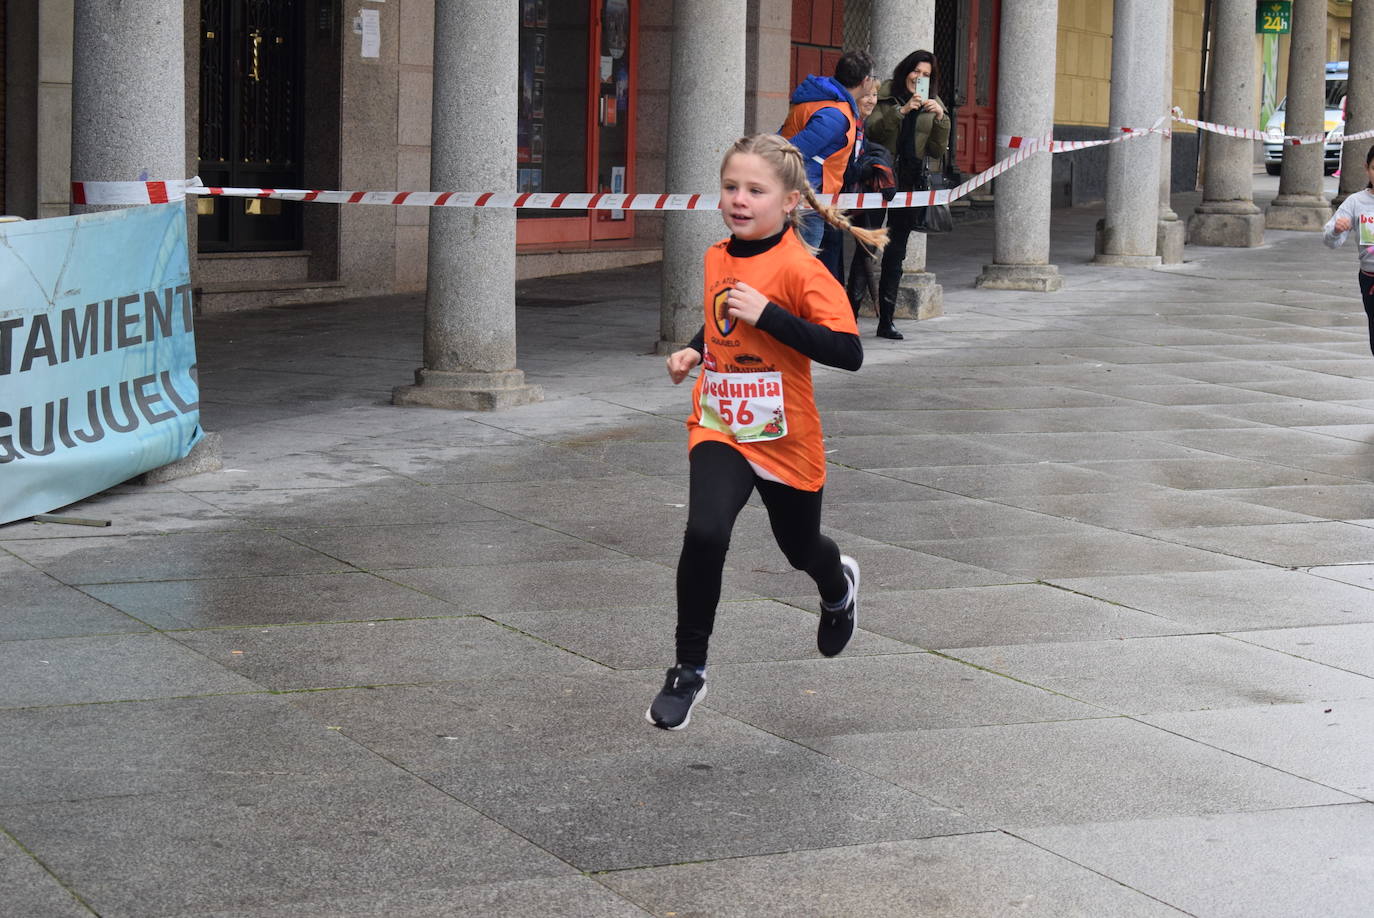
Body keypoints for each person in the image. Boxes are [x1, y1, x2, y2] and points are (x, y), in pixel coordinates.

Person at [646, 133, 888, 731]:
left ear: (788, 203)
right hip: (721, 420)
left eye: (756, 189)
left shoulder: (802, 269)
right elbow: (722, 322)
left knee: (800, 549)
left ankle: (838, 587)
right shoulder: (713, 257)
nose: (739, 199)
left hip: (784, 435)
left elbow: (849, 351)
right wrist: (693, 351)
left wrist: (772, 316)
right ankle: (689, 669)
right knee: (705, 531)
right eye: (731, 187)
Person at [865, 49, 951, 340]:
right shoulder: (885, 94)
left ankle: (886, 321)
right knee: (867, 248)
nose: (920, 78)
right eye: (916, 71)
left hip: (910, 182)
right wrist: (901, 112)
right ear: (906, 70)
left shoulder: (933, 104)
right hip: (878, 179)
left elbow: (937, 150)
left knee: (896, 252)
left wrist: (941, 119)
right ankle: (848, 314)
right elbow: (871, 132)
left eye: (926, 75)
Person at [780, 49, 877, 282]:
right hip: (808, 201)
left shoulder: (823, 101)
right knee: (801, 273)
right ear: (865, 81)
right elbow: (793, 151)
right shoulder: (836, 115)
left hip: (805, 197)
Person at [1324, 144, 1374, 356]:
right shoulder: (1356, 202)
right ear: (1367, 169)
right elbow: (1330, 240)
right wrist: (1336, 230)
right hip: (1370, 279)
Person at [845, 83, 889, 317]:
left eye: (875, 95)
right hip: (843, 196)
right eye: (867, 95)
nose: (872, 100)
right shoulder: (848, 122)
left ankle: (851, 314)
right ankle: (845, 315)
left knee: (866, 253)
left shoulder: (862, 124)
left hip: (868, 195)